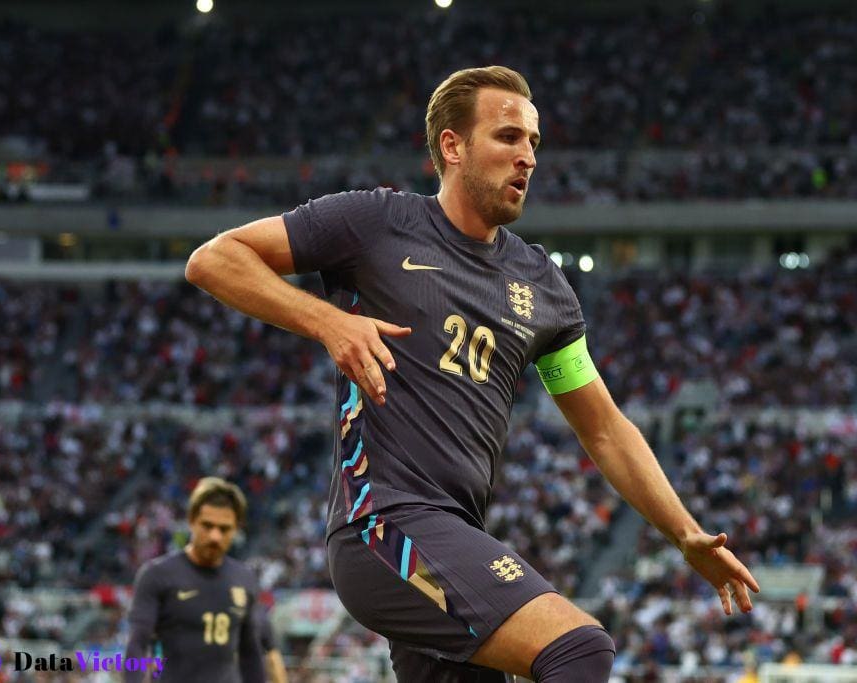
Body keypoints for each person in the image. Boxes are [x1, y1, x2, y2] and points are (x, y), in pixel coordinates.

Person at [185, 65, 760, 682]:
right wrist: (328, 321)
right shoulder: (376, 223)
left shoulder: (543, 285)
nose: (528, 157)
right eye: (509, 137)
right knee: (578, 647)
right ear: (452, 146)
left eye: (534, 142)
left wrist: (684, 532)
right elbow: (214, 259)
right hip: (385, 527)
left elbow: (604, 429)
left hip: (453, 532)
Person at [123, 477, 266, 682]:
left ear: (236, 528)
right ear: (191, 521)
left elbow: (251, 653)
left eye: (224, 529)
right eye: (207, 526)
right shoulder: (156, 575)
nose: (215, 536)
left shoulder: (245, 579)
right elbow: (138, 644)